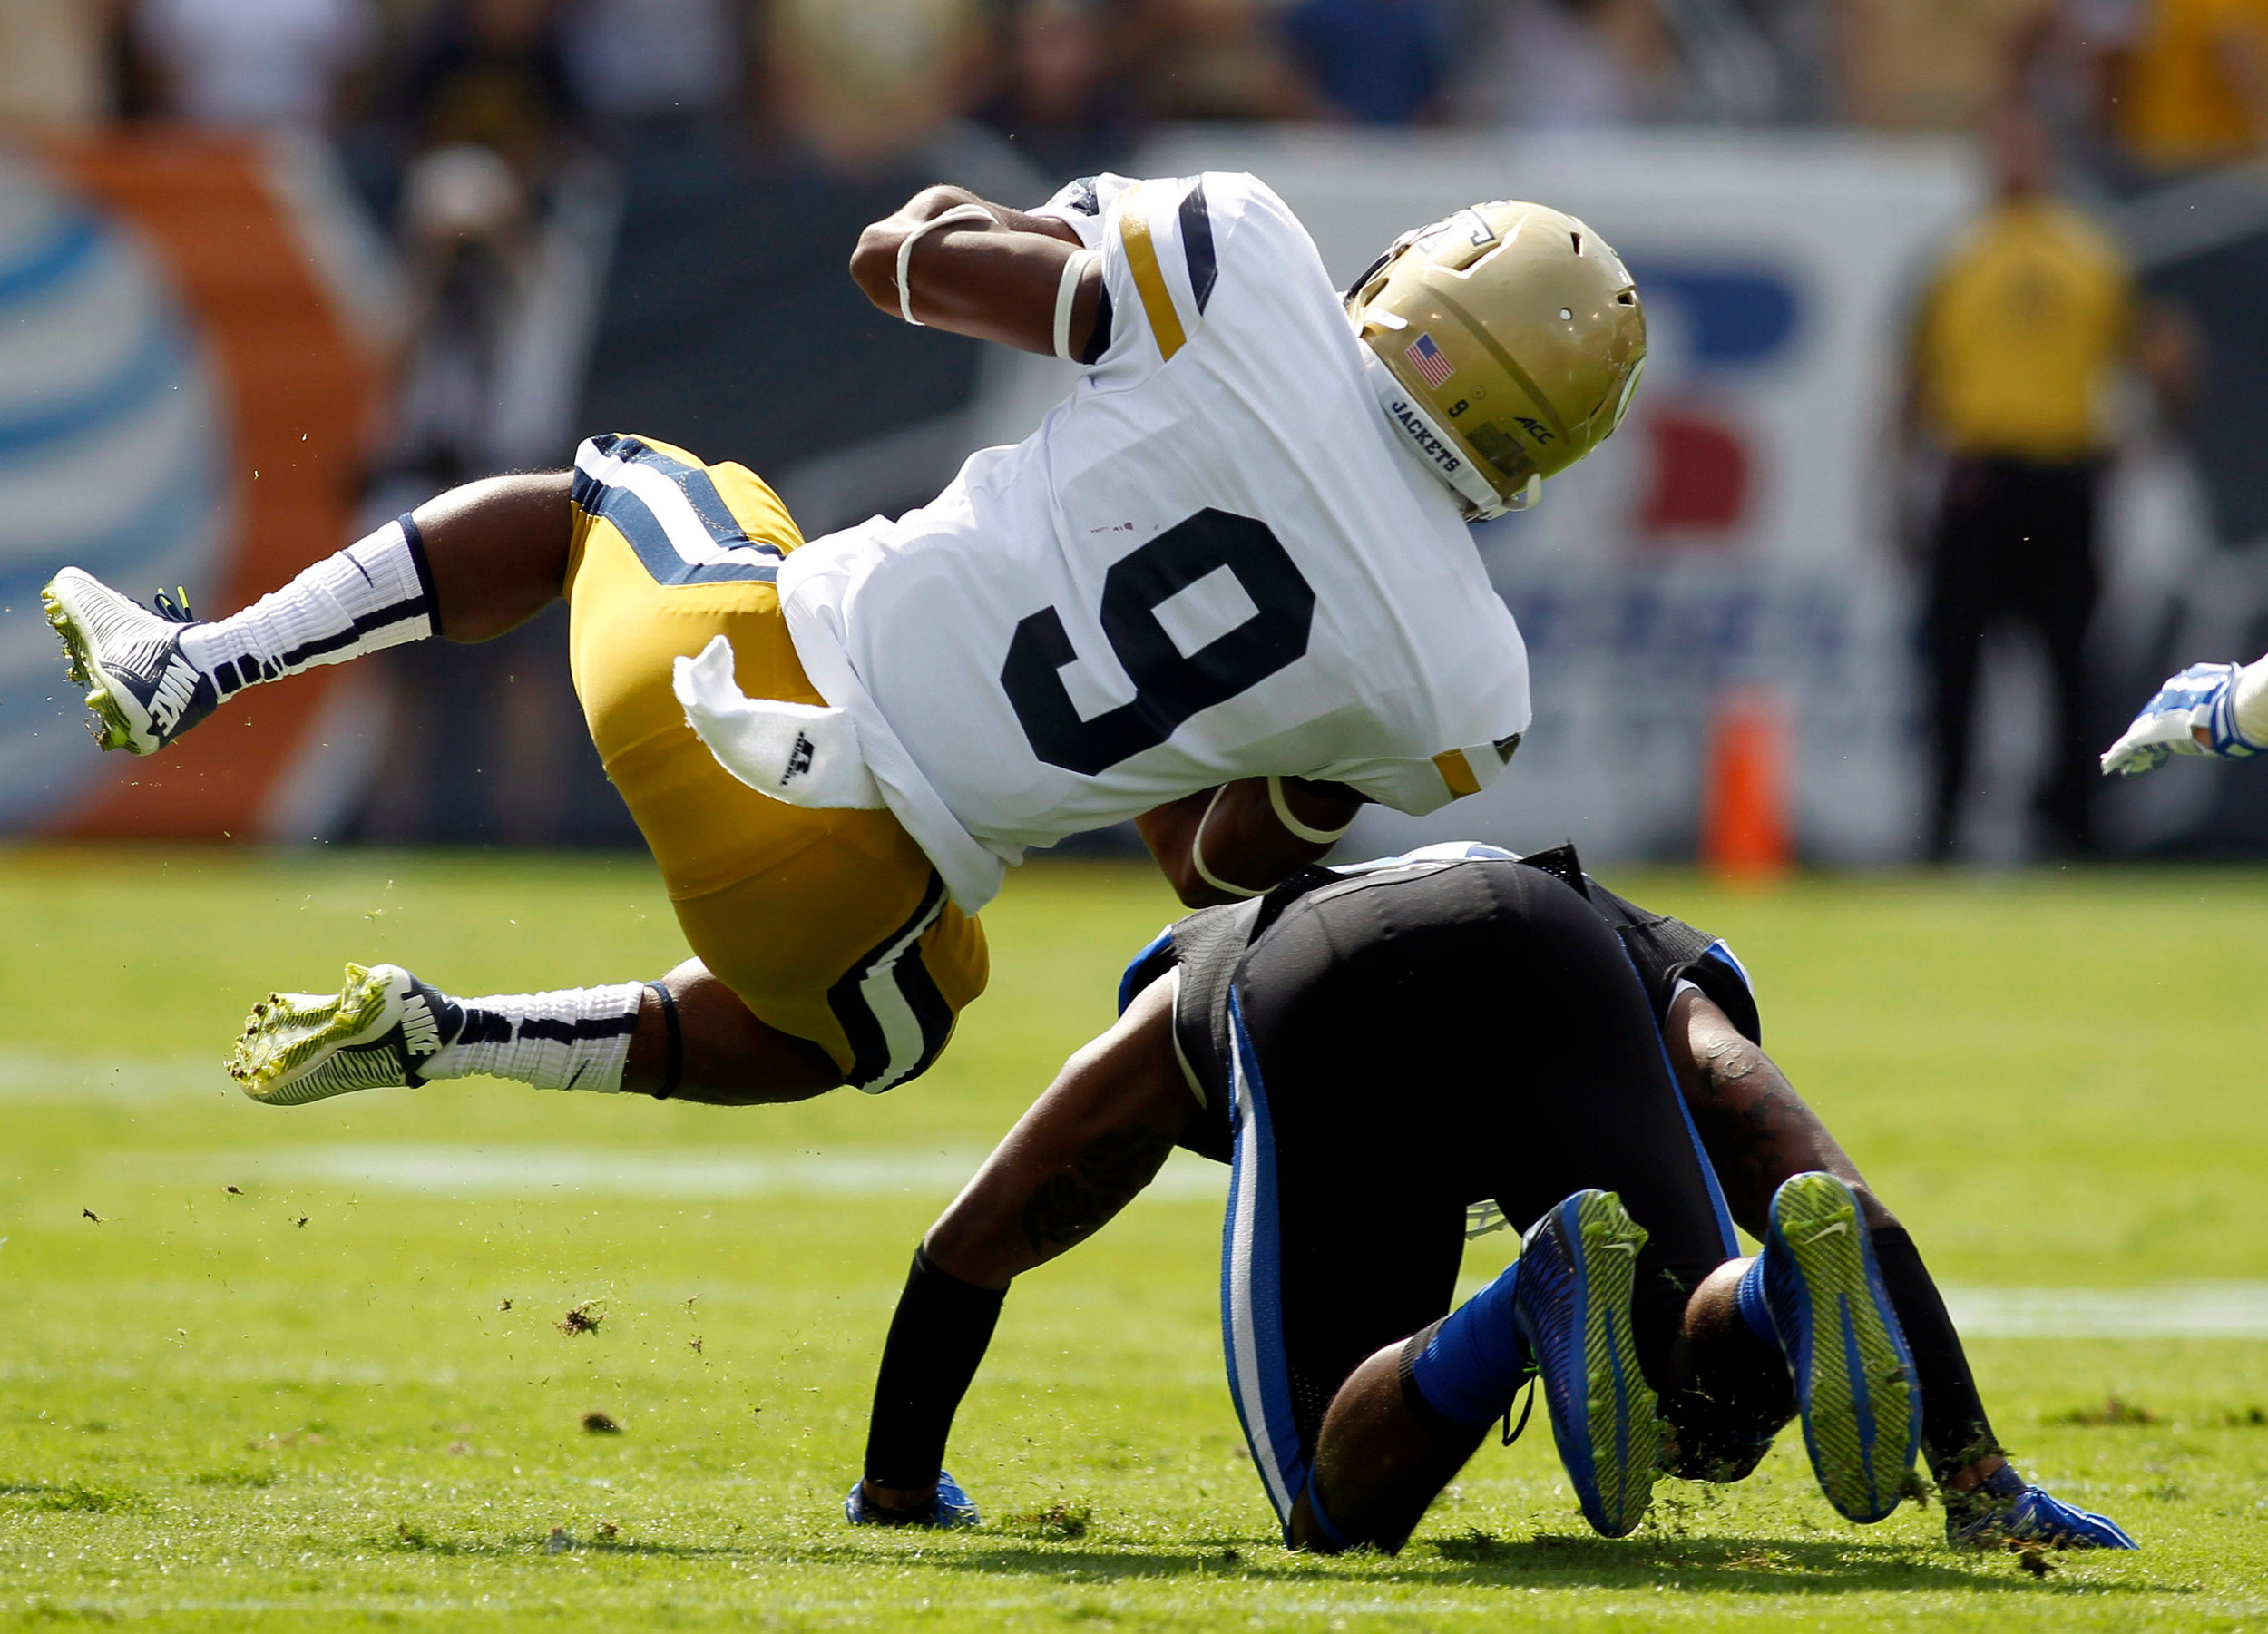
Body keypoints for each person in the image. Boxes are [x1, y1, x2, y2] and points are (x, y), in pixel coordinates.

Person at [43, 172, 1646, 1113]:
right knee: (899, 1023)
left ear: (1410, 283)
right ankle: (453, 1037)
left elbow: (905, 266)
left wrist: (990, 214)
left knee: (616, 488)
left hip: (719, 671)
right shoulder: (1464, 683)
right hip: (833, 890)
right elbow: (1211, 867)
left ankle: (201, 666)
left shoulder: (1251, 266)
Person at [845, 844, 2139, 1553]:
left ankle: (1529, 1297)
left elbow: (972, 1240)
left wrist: (899, 1483)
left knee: (1330, 1508)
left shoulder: (1190, 990)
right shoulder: (1648, 944)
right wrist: (1980, 1475)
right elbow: (1812, 1172)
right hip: (1554, 927)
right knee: (1706, 1400)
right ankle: (1778, 1292)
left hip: (1315, 974)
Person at [1905, 104, 2178, 861]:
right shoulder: (1967, 257)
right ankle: (1949, 822)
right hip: (1985, 476)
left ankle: (2073, 822)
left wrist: (2147, 422)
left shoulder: (2083, 253)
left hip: (2059, 475)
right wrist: (1900, 484)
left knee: (2069, 666)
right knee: (1959, 667)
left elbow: (2153, 353)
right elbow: (1914, 381)